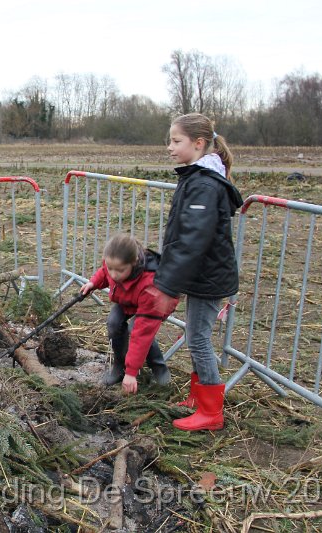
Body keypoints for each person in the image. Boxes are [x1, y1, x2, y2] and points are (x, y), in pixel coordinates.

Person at [152, 113, 244, 432]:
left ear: (199, 143)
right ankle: (197, 397)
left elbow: (193, 240)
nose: (170, 147)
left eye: (176, 141)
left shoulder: (204, 184)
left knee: (199, 338)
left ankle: (211, 411)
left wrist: (167, 284)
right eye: (170, 141)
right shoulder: (196, 178)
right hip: (202, 275)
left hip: (209, 277)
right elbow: (183, 234)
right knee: (196, 335)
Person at [80, 233, 179, 395]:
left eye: (119, 270)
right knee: (113, 322)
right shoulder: (115, 265)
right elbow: (104, 272)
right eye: (111, 268)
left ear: (134, 262)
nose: (113, 275)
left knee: (137, 330)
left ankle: (160, 370)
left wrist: (132, 373)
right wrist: (93, 282)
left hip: (157, 303)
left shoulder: (151, 286)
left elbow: (143, 332)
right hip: (129, 298)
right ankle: (119, 365)